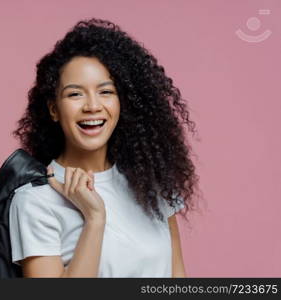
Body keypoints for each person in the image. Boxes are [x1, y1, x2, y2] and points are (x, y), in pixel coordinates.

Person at [10, 18, 200, 278]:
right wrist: (95, 219)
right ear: (54, 109)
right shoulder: (35, 201)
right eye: (75, 94)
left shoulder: (152, 182)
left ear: (123, 103)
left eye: (106, 92)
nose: (92, 106)